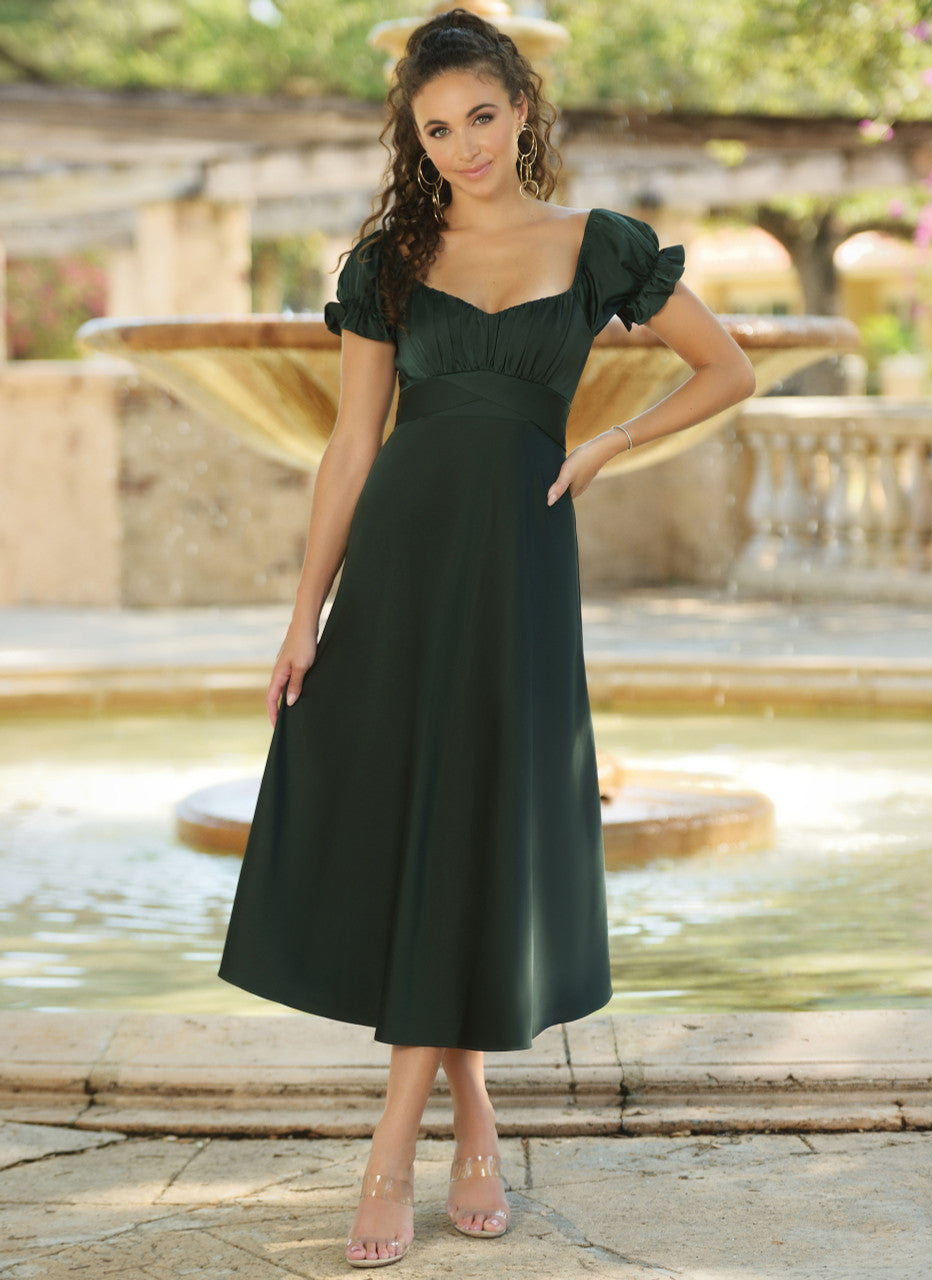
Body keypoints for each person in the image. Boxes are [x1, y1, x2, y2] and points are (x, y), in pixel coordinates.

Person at [218, 6, 755, 1269]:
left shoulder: (597, 243)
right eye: (433, 128)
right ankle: (462, 1117)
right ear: (416, 137)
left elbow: (724, 368)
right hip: (401, 560)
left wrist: (608, 441)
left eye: (477, 116)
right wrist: (303, 613)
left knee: (476, 812)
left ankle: (393, 1145)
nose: (459, 145)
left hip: (518, 555)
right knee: (421, 813)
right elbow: (351, 443)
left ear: (519, 106)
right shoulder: (389, 259)